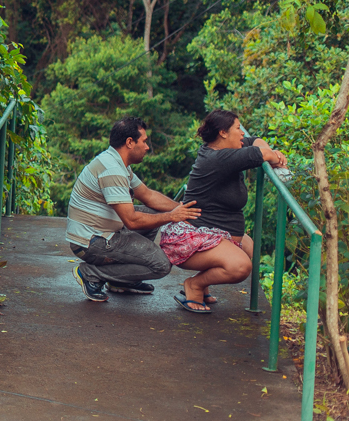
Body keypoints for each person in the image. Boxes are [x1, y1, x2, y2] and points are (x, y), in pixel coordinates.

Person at [158, 110, 287, 313]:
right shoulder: (218, 158)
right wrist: (273, 156)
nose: (242, 133)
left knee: (249, 249)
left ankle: (203, 282)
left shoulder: (225, 150)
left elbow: (256, 141)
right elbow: (261, 153)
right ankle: (195, 285)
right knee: (241, 266)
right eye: (238, 128)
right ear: (223, 133)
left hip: (212, 232)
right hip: (188, 238)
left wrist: (269, 151)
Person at [67, 116, 203, 302]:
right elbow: (131, 221)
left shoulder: (118, 164)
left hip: (102, 232)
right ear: (130, 142)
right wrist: (171, 216)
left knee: (155, 214)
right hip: (92, 243)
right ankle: (91, 273)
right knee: (161, 266)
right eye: (144, 141)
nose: (147, 147)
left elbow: (148, 196)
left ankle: (122, 280)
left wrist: (184, 210)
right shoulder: (112, 170)